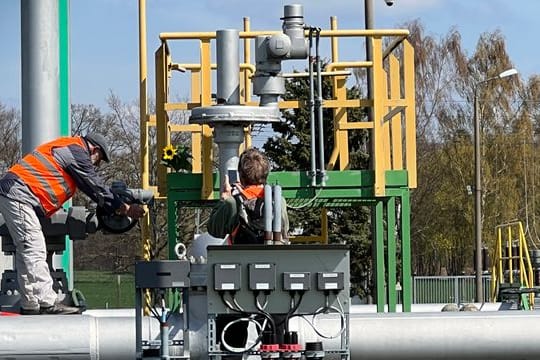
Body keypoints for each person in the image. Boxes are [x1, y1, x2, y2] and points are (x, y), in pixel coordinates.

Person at [0, 133, 146, 315]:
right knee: (34, 248)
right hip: (19, 194)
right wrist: (122, 207)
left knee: (26, 250)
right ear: (94, 150)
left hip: (16, 193)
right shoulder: (76, 151)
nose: (96, 165)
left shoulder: (69, 148)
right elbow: (94, 186)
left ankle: (30, 304)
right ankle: (47, 302)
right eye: (98, 160)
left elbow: (89, 187)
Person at [207, 147, 289, 244]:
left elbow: (214, 231)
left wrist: (224, 199)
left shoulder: (232, 203)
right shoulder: (278, 201)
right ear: (266, 174)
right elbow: (284, 231)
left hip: (240, 257)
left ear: (241, 176)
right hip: (274, 257)